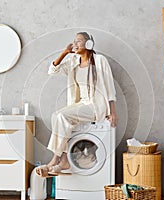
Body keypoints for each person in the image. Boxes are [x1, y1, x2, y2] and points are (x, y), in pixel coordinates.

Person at [36, 32, 117, 177]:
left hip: (96, 106)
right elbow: (52, 70)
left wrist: (113, 112)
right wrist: (65, 52)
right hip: (81, 104)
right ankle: (65, 160)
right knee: (57, 116)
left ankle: (55, 159)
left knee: (61, 116)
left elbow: (110, 87)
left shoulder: (99, 61)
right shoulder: (73, 62)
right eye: (74, 41)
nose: (75, 44)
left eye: (79, 41)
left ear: (89, 44)